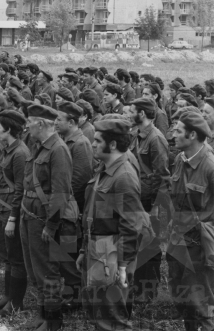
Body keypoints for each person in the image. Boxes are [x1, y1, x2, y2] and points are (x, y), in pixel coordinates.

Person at [77, 119, 151, 331]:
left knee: (112, 318)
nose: (92, 144)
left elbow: (131, 226)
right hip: (97, 248)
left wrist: (122, 265)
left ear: (112, 145)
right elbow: (92, 214)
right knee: (98, 312)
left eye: (97, 141)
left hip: (111, 252)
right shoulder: (105, 168)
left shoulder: (124, 176)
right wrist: (84, 250)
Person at [21, 104, 79, 330]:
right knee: (36, 269)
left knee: (49, 272)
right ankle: (42, 314)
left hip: (44, 221)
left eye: (30, 122)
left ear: (41, 123)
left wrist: (51, 225)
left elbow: (61, 192)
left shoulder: (58, 149)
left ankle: (53, 321)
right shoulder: (40, 147)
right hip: (31, 216)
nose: (27, 126)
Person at [167, 111, 214, 331]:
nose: (172, 135)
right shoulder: (180, 159)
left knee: (202, 303)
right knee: (182, 298)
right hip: (178, 242)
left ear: (193, 134)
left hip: (198, 247)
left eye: (178, 131)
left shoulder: (210, 166)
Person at [128, 98, 170, 305]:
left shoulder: (156, 139)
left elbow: (162, 176)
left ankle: (148, 293)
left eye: (132, 111)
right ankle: (139, 287)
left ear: (142, 114)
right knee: (138, 245)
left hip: (151, 202)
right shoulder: (137, 135)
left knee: (150, 246)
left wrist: (155, 210)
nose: (128, 113)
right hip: (139, 199)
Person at [0, 110, 29, 316]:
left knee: (16, 257)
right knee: (6, 255)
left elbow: (20, 189)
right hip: (2, 207)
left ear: (10, 130)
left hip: (12, 211)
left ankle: (16, 302)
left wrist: (13, 217)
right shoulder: (7, 150)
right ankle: (7, 296)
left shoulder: (20, 153)